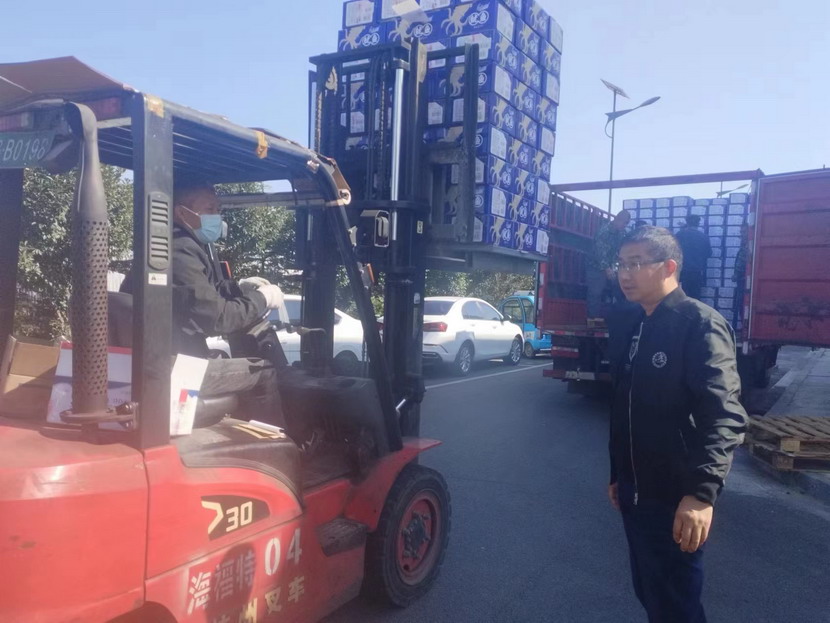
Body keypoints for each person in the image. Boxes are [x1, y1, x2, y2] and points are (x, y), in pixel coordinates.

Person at [607, 226, 747, 623]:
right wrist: (619, 474)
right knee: (651, 594)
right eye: (621, 264)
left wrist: (701, 494)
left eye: (636, 263)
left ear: (669, 267)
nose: (625, 274)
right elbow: (626, 406)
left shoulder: (699, 325)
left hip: (674, 498)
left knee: (676, 607)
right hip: (635, 493)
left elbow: (724, 415)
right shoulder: (637, 323)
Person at [123, 183, 286, 426]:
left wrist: (240, 288)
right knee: (262, 371)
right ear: (182, 213)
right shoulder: (179, 250)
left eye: (218, 209)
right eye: (209, 209)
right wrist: (263, 299)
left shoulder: (170, 247)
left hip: (160, 361)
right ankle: (278, 445)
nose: (216, 216)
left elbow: (200, 293)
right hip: (172, 368)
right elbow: (219, 319)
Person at [587, 209, 631, 324]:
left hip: (611, 266)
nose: (625, 225)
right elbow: (600, 252)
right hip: (596, 266)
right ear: (617, 219)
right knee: (595, 293)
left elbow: (622, 250)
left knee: (620, 290)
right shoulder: (604, 231)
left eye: (627, 223)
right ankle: (592, 321)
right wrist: (607, 269)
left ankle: (621, 318)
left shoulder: (622, 233)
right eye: (624, 222)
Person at [674, 215, 712, 300]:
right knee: (695, 297)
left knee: (682, 297)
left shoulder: (679, 235)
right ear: (698, 223)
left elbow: (673, 252)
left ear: (687, 222)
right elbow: (709, 253)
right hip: (697, 271)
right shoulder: (703, 237)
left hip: (682, 272)